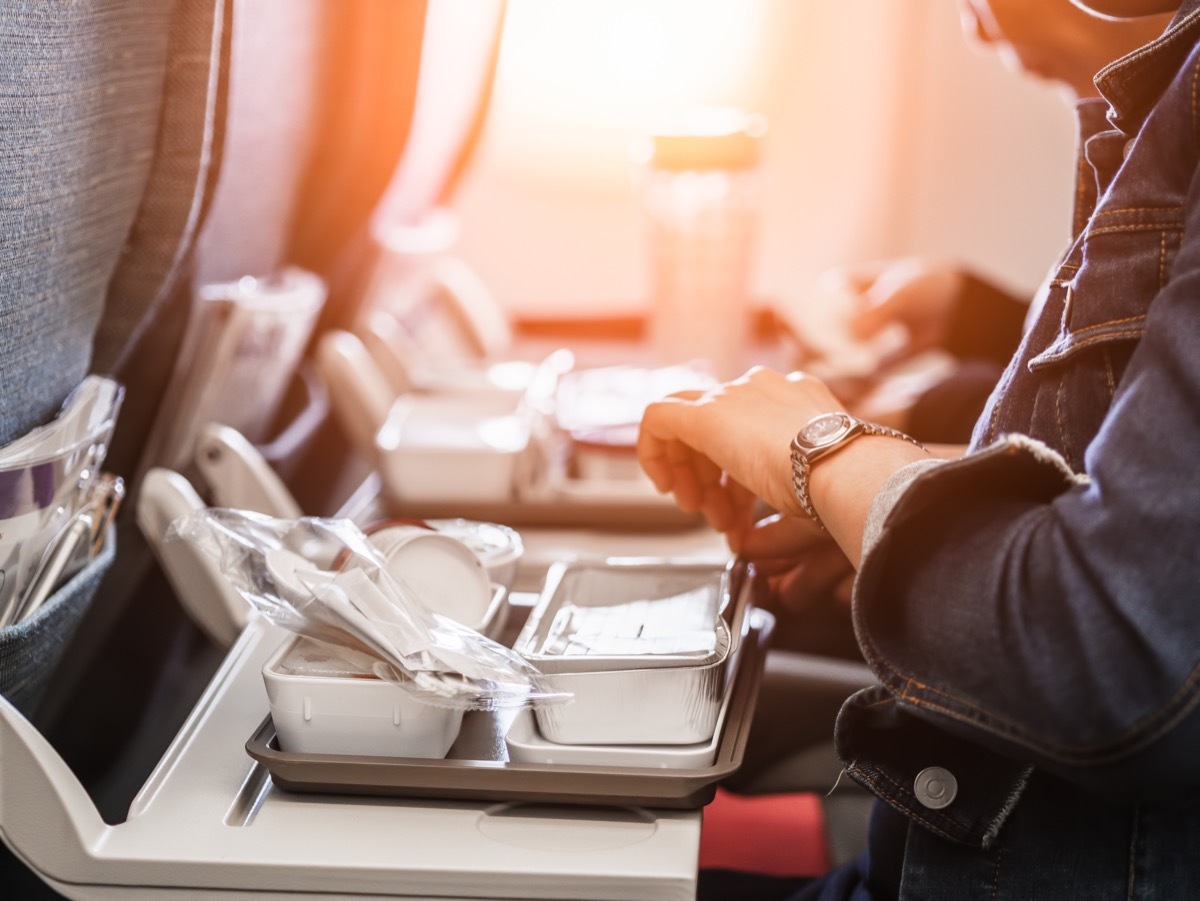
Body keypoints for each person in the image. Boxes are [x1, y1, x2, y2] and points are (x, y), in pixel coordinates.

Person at [639, 0, 1200, 897]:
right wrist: (893, 502)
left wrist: (824, 449)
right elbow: (1136, 502)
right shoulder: (1162, 104)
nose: (971, 21)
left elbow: (1116, 641)